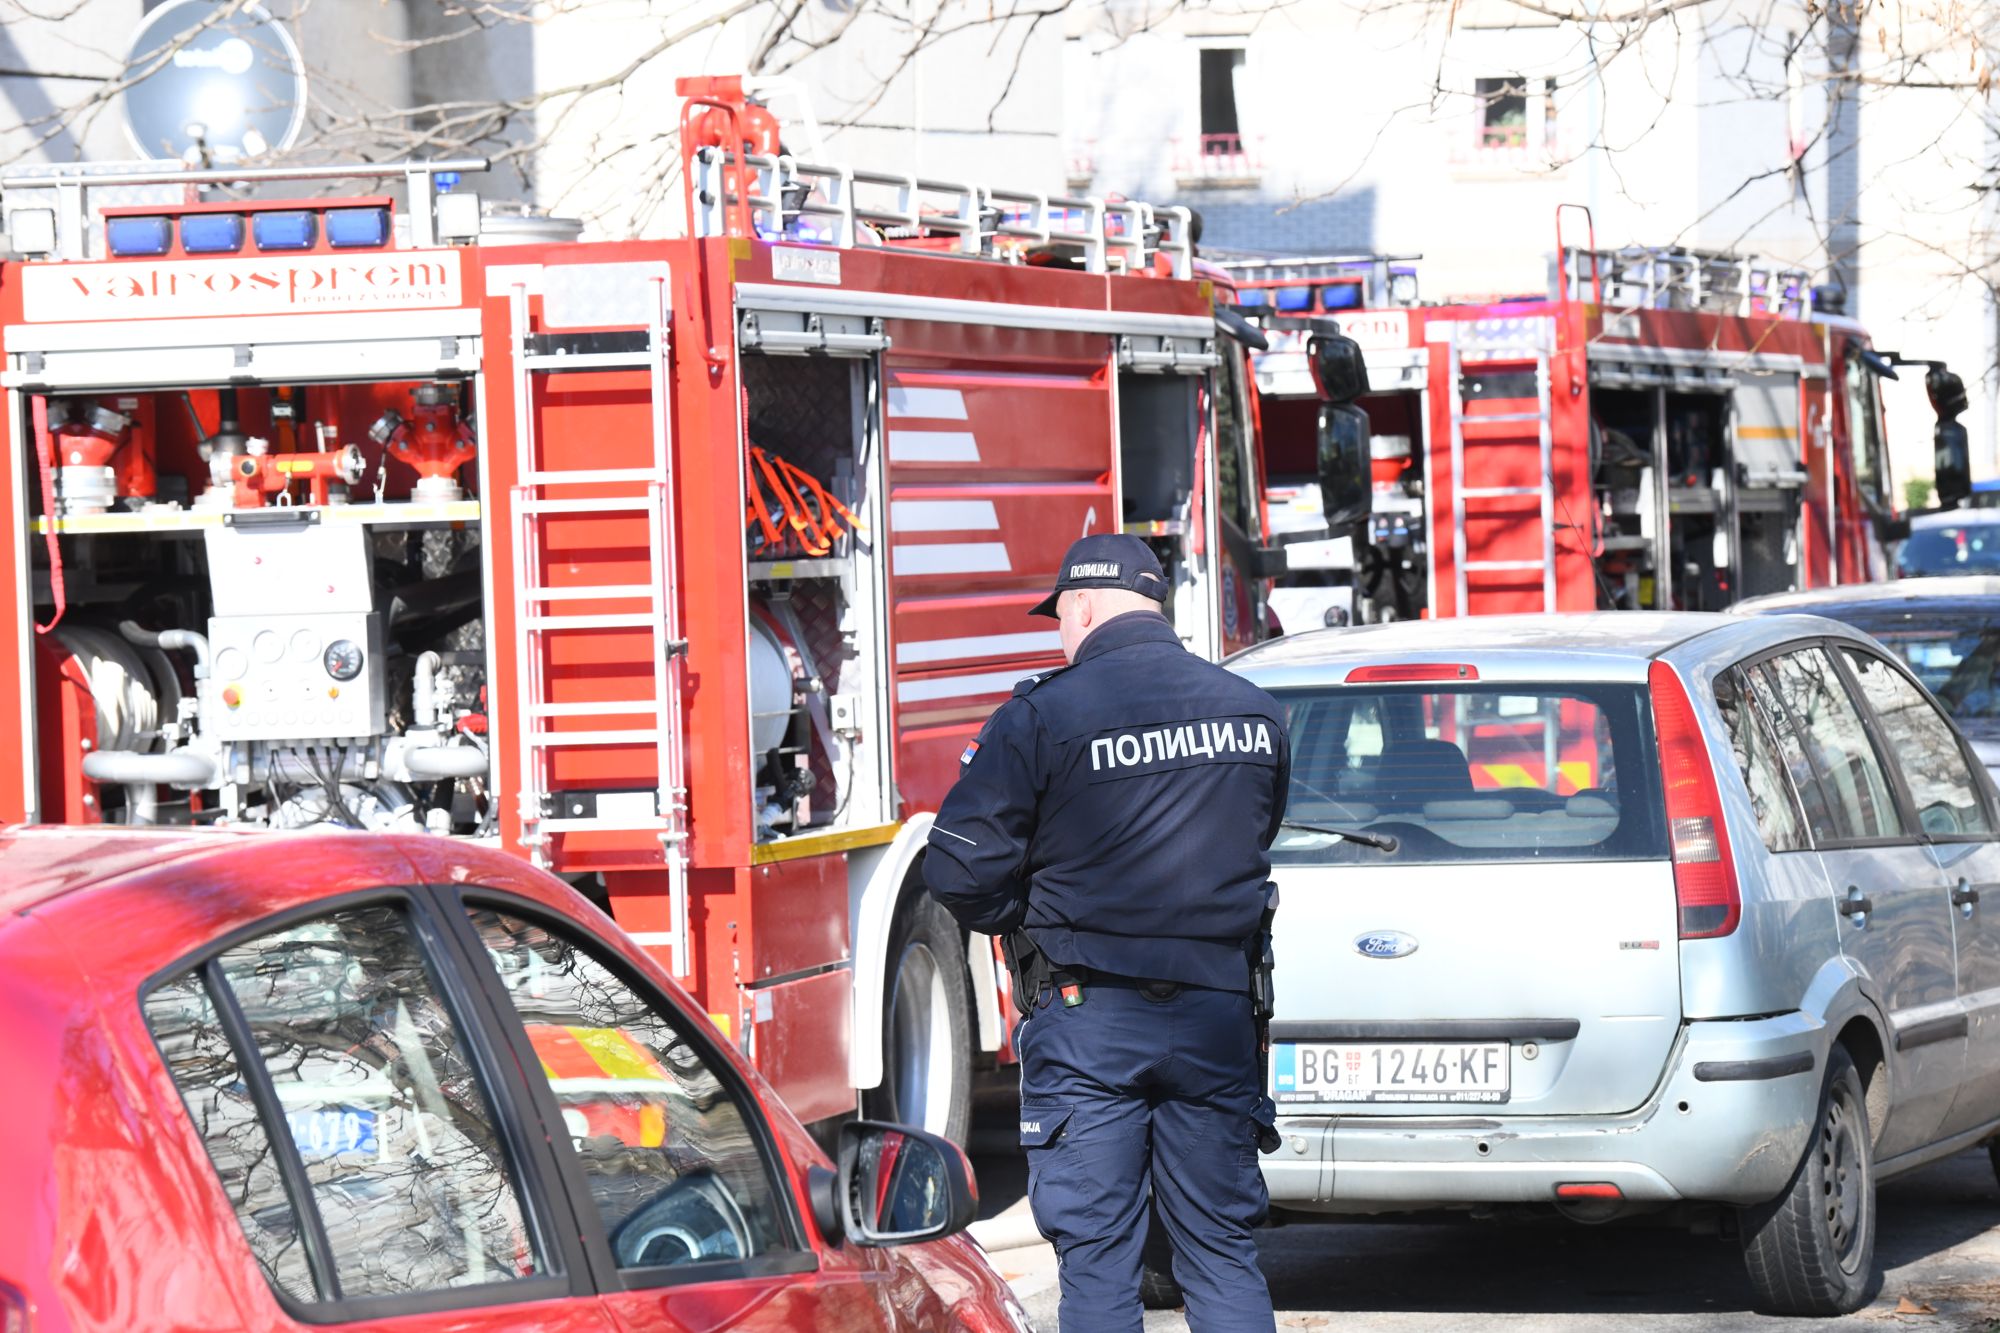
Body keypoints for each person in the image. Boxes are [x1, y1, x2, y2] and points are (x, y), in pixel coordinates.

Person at [924, 534, 1288, 1333]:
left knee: (1097, 1258)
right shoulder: (1253, 711)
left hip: (1089, 1019)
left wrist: (1026, 920)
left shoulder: (1042, 716)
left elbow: (956, 868)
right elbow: (1257, 833)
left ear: (1081, 606)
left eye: (1058, 615)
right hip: (1217, 1017)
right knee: (1222, 1251)